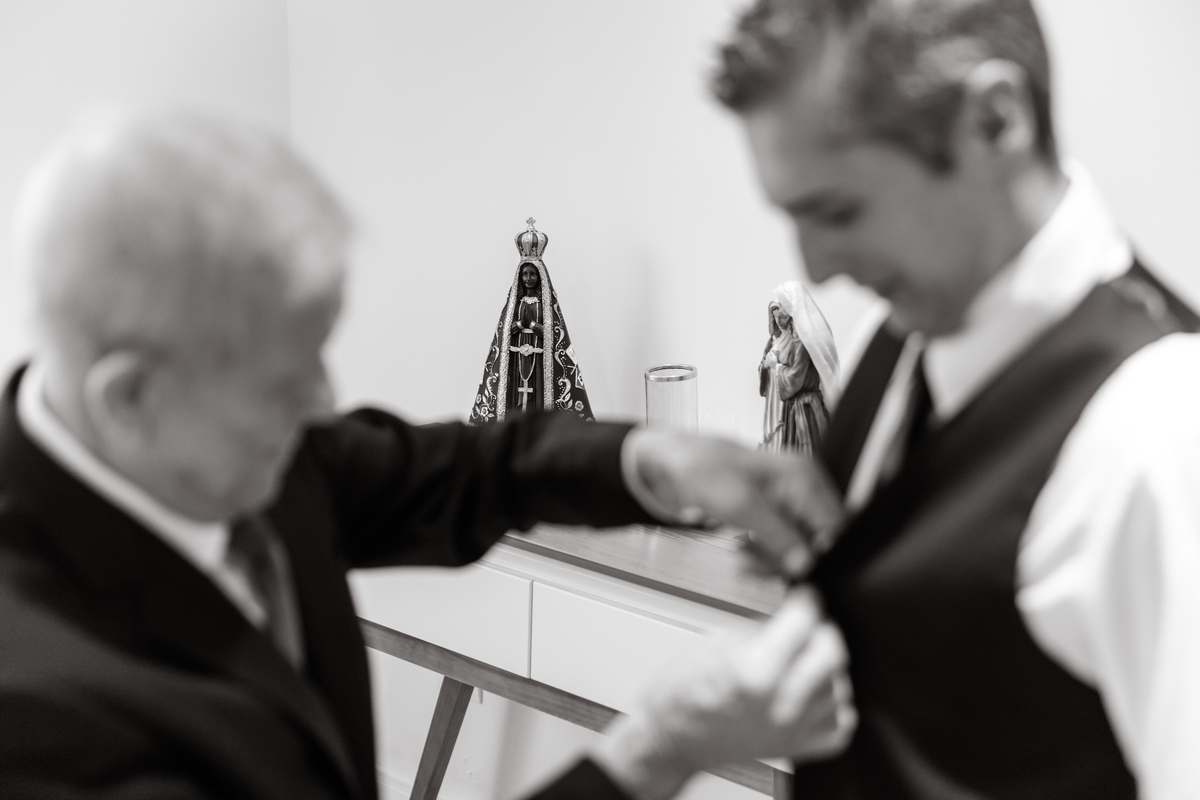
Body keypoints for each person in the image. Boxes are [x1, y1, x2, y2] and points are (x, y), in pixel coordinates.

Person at [0, 113, 853, 800]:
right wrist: (657, 753)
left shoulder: (230, 451)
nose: (324, 403)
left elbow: (460, 470)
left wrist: (649, 458)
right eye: (283, 381)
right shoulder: (42, 722)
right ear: (131, 397)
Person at [712, 0, 1200, 797]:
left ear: (995, 123)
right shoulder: (893, 340)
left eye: (839, 210)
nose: (816, 267)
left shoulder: (1163, 436)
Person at [469, 219, 593, 423]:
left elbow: (554, 336)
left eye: (532, 274)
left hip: (539, 362)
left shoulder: (546, 307)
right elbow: (504, 334)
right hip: (517, 360)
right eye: (525, 274)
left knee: (537, 395)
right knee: (516, 396)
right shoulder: (514, 304)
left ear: (540, 276)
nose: (528, 278)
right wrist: (518, 325)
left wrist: (534, 326)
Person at [759, 281, 839, 455]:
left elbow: (796, 378)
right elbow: (766, 363)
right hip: (787, 407)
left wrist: (776, 366)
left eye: (783, 315)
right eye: (776, 315)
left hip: (804, 408)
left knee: (805, 450)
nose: (779, 320)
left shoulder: (803, 342)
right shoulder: (779, 339)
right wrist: (766, 366)